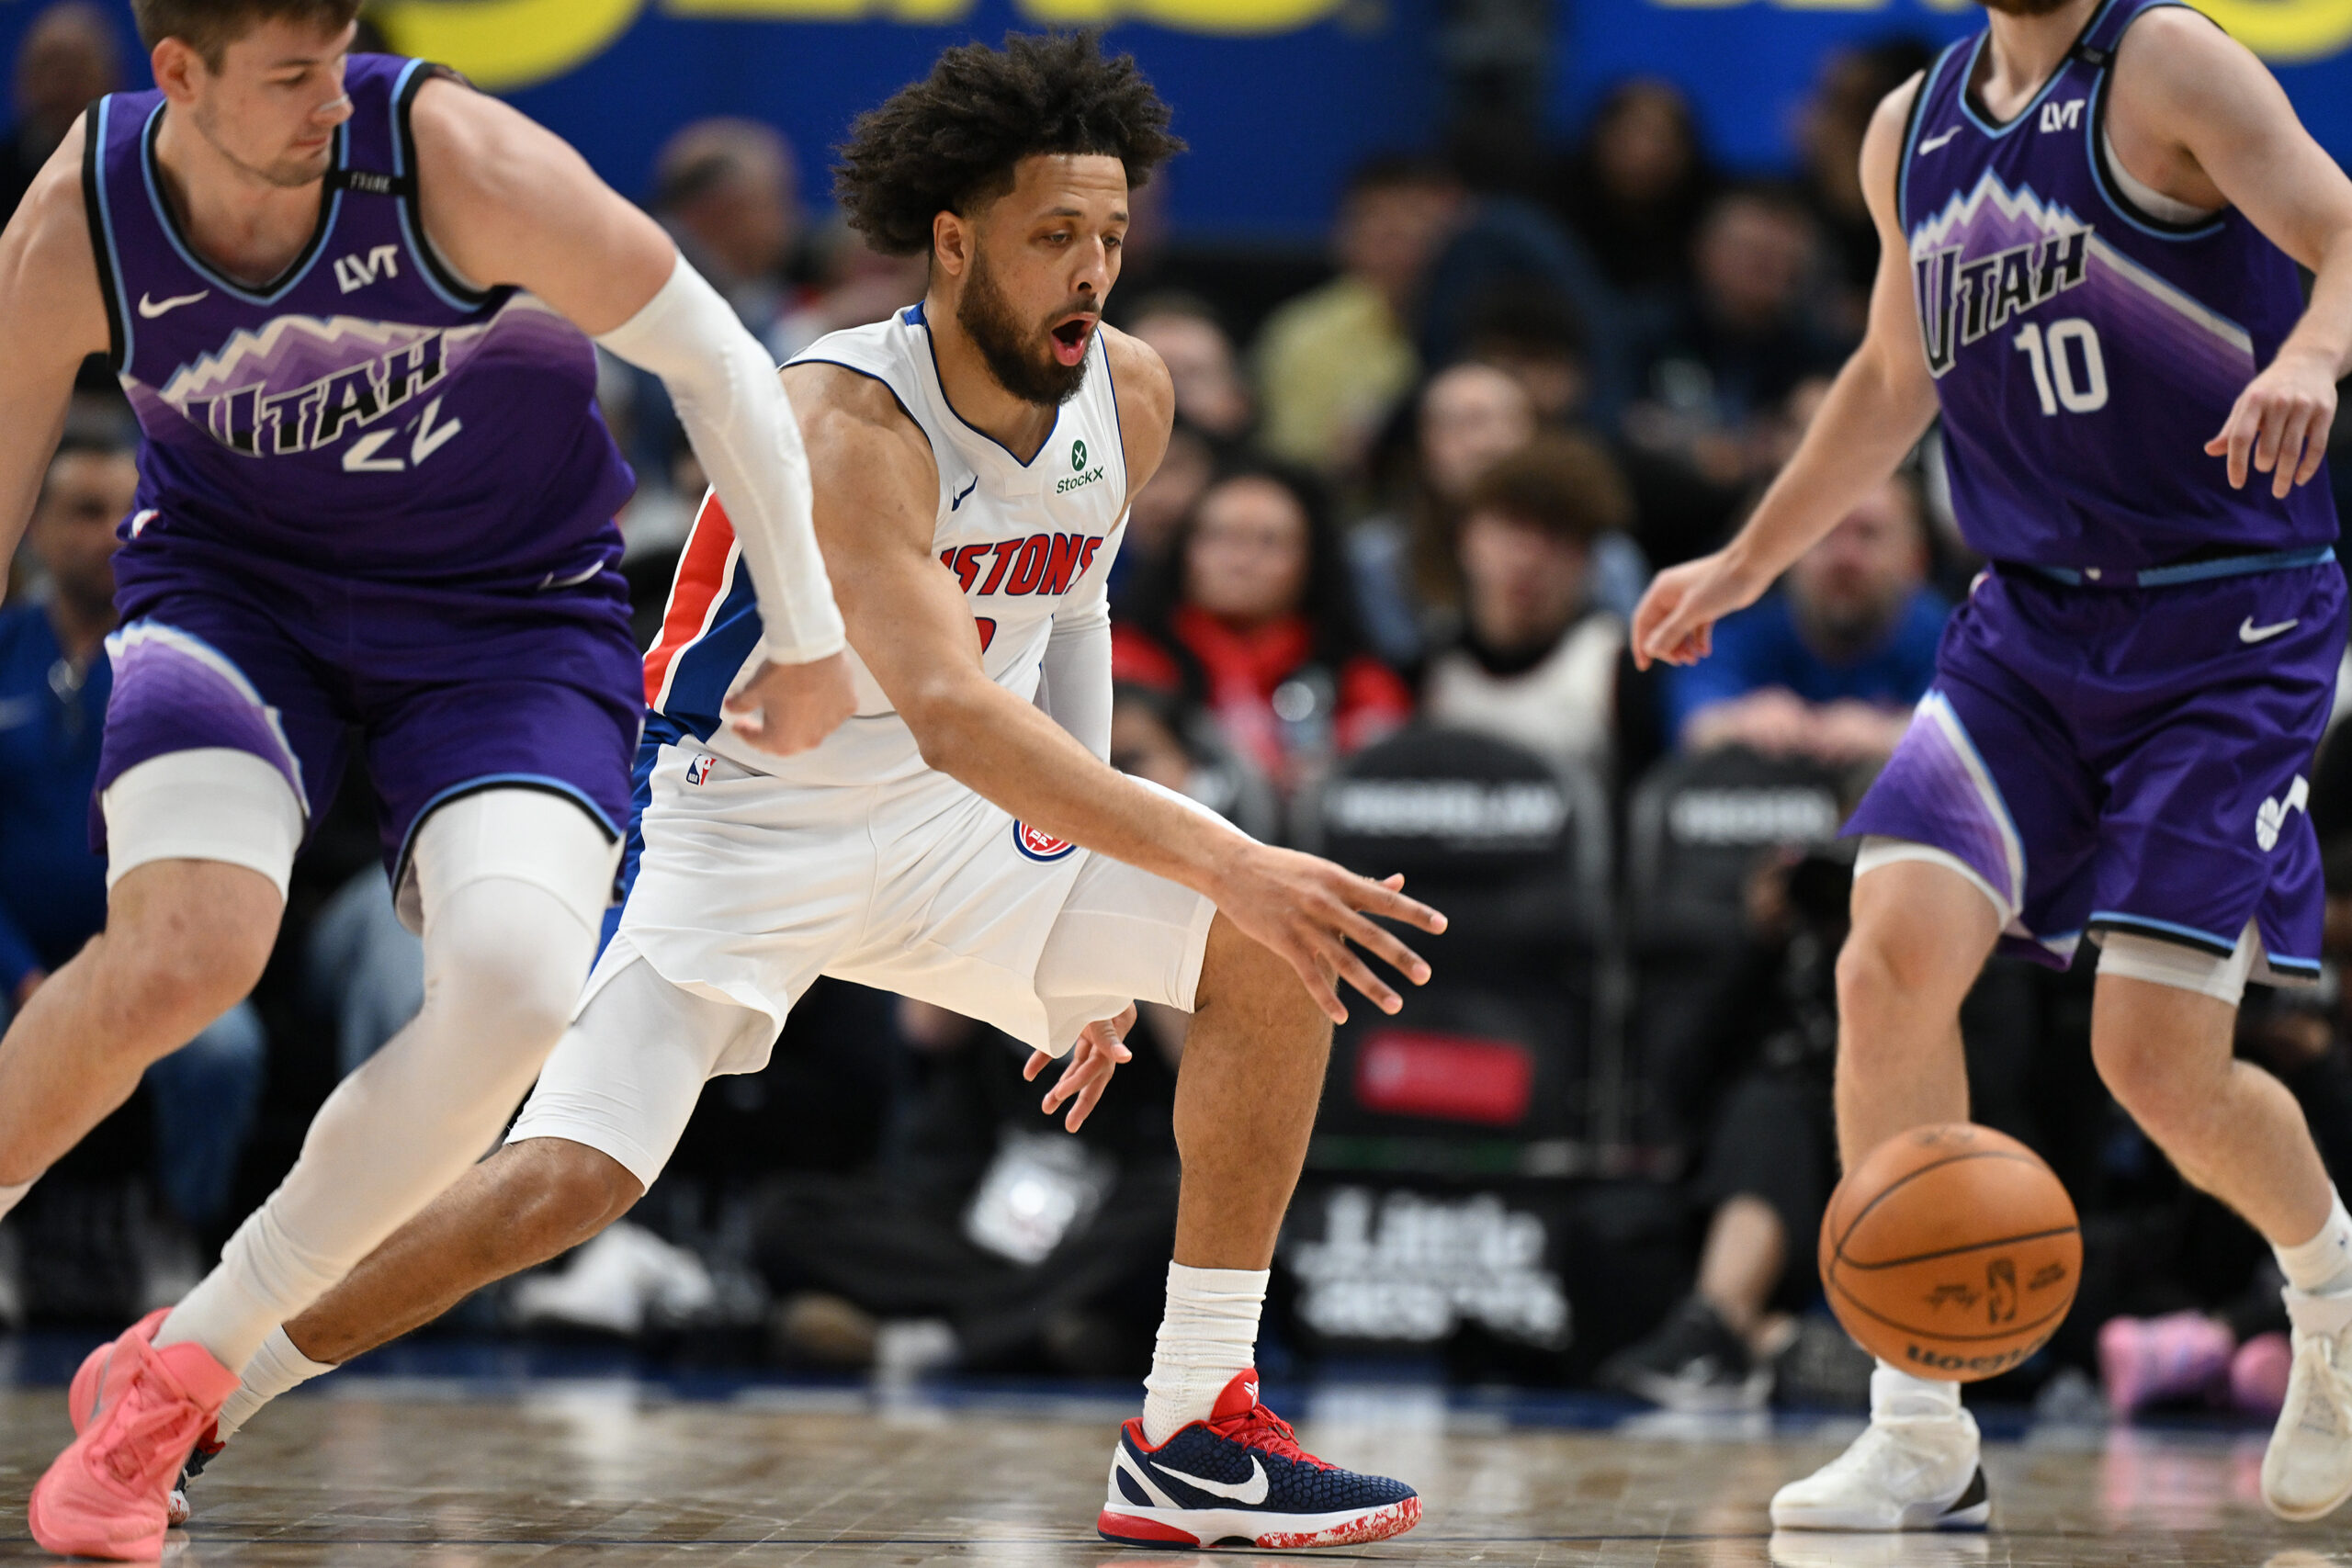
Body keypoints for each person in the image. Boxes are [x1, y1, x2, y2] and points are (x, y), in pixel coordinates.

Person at [173, 34, 1436, 1554]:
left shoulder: (1135, 391)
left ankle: (1187, 1427)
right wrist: (1224, 851)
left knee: (1270, 961)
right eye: (1054, 237)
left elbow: (1072, 612)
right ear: (955, 239)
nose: (1092, 271)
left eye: (1110, 235)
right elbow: (961, 711)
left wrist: (1085, 879)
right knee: (553, 1189)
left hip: (943, 832)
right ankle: (199, 1387)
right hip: (723, 821)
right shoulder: (843, 424)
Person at [0, 1, 857, 1555]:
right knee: (182, 960)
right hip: (231, 595)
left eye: (340, 57)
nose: (332, 99)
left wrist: (804, 632)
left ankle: (186, 1365)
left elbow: (723, 364)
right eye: (287, 76)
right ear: (176, 77)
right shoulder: (84, 213)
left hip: (508, 618)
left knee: (522, 989)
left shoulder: (453, 159)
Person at [1634, 0, 2352, 1528]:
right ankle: (1919, 1427)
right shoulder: (1915, 124)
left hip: (2229, 627)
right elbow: (1896, 378)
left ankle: (2335, 1296)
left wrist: (2314, 353)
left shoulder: (2169, 64)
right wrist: (1748, 561)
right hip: (2029, 632)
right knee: (1881, 957)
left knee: (2150, 1062)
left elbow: (2345, 229)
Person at [0, 422, 264, 1243]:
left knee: (224, 1048)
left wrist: (128, 963)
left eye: (130, 511)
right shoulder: (4, 650)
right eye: (85, 511)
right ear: (37, 526)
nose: (110, 535)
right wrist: (21, 973)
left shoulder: (190, 666)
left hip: (145, 947)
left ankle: (171, 1232)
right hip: (8, 953)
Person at [1114, 460, 1414, 796]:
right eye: (1219, 537)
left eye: (1269, 542)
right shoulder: (1124, 664)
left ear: (1312, 560)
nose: (1240, 561)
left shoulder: (1361, 683)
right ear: (1185, 550)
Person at [1666, 475, 1946, 765]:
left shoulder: (1952, 643)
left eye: (1868, 534)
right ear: (1787, 554)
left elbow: (1973, 734)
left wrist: (1890, 735)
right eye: (1823, 532)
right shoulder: (1745, 629)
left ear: (1917, 559)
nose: (1845, 557)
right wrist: (1742, 721)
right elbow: (1694, 723)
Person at [1420, 431, 1640, 780]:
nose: (1530, 558)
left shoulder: (1619, 667)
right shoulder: (1428, 666)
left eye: (1555, 537)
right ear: (1467, 538)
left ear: (1588, 560)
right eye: (1512, 528)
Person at [1252, 155, 1453, 475]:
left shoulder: (1470, 321)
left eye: (1424, 229)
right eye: (1388, 232)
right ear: (1345, 237)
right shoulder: (1302, 336)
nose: (1407, 247)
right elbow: (1294, 464)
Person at [0, 4, 120, 225]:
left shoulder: (138, 172)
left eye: (74, 71)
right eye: (46, 67)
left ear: (113, 80)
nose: (59, 87)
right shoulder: (5, 170)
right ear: (21, 81)